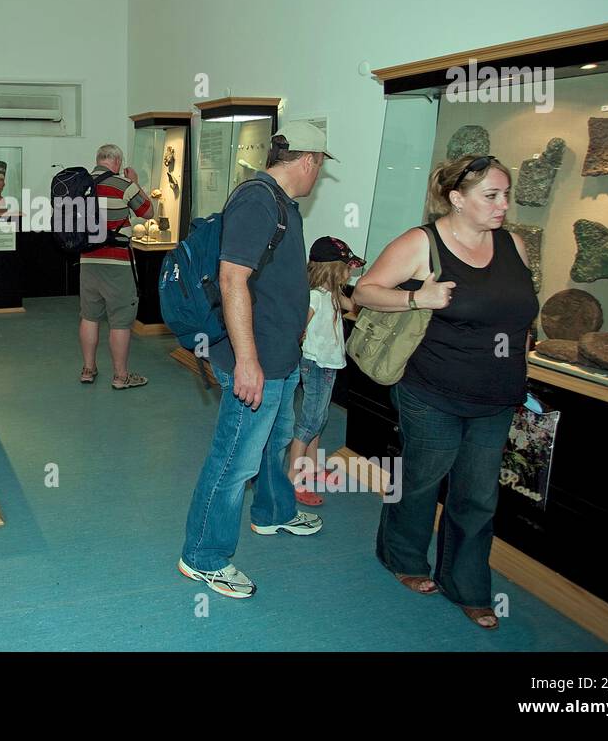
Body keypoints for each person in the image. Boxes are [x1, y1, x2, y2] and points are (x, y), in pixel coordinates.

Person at [354, 154, 537, 630]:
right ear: (457, 199)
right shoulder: (423, 243)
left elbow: (518, 307)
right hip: (431, 389)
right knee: (421, 480)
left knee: (478, 495)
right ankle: (403, 557)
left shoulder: (513, 244)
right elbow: (365, 291)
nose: (503, 205)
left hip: (497, 395)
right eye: (490, 196)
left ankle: (467, 584)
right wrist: (418, 297)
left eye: (505, 195)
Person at [178, 122, 333, 598]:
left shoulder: (284, 204)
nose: (318, 176)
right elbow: (232, 280)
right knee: (235, 457)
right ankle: (203, 555)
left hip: (280, 356)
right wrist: (248, 362)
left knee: (276, 440)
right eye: (321, 167)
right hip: (256, 358)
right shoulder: (257, 199)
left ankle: (273, 512)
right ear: (308, 161)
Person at [289, 237, 363, 507]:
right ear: (332, 268)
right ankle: (294, 479)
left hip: (328, 366)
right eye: (347, 267)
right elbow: (300, 325)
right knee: (309, 422)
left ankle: (313, 469)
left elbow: (351, 305)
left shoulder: (329, 293)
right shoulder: (316, 296)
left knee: (318, 420)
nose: (351, 272)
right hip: (317, 365)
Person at [78, 144, 151, 389]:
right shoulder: (123, 185)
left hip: (87, 260)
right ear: (117, 162)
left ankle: (88, 369)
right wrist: (135, 182)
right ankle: (121, 377)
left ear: (98, 160)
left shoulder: (82, 185)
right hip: (117, 263)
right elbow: (148, 211)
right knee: (120, 320)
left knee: (89, 317)